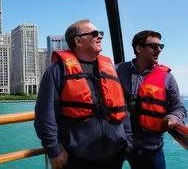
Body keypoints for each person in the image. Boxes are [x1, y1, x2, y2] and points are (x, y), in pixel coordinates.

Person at [34, 19, 132, 169]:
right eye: (94, 33)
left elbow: (122, 108)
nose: (99, 36)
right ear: (78, 40)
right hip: (77, 158)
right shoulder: (58, 70)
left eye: (101, 33)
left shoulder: (110, 69)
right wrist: (54, 150)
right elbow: (45, 115)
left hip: (115, 154)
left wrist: (127, 141)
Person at [116, 30, 186, 169]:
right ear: (138, 48)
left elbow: (179, 108)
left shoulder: (167, 78)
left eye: (161, 46)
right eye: (154, 46)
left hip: (150, 149)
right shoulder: (117, 71)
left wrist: (173, 118)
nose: (159, 50)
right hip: (119, 144)